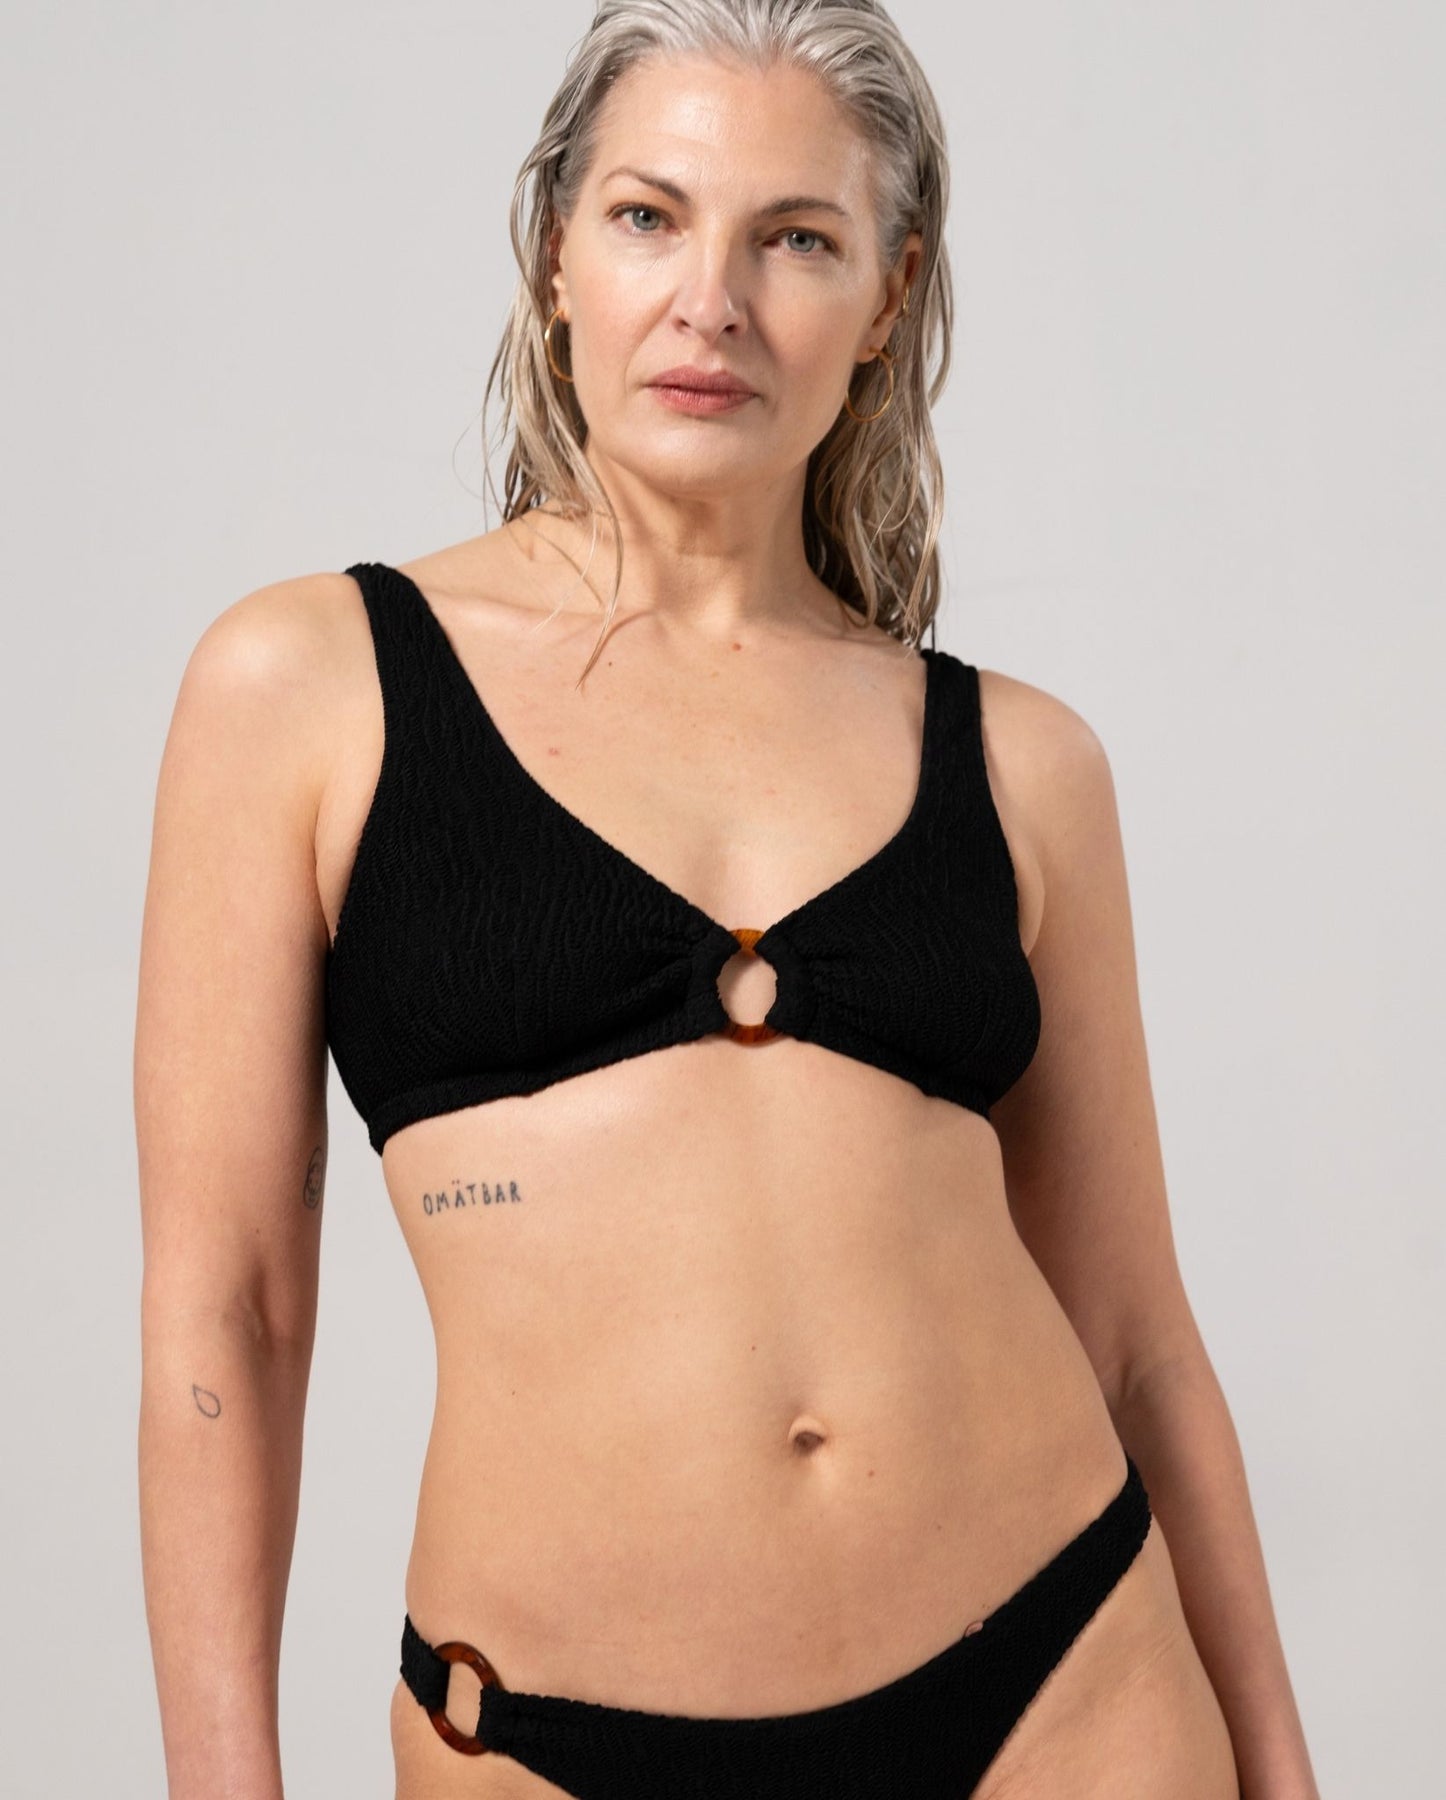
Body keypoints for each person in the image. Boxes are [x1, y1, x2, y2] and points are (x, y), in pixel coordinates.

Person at [136, 4, 1320, 1797]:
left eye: (796, 239)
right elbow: (225, 1306)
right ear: (555, 253)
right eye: (647, 217)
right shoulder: (310, 685)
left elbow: (1140, 1346)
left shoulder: (1018, 763)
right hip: (554, 1738)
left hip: (1064, 1696)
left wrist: (1282, 1771)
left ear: (887, 297)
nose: (712, 301)